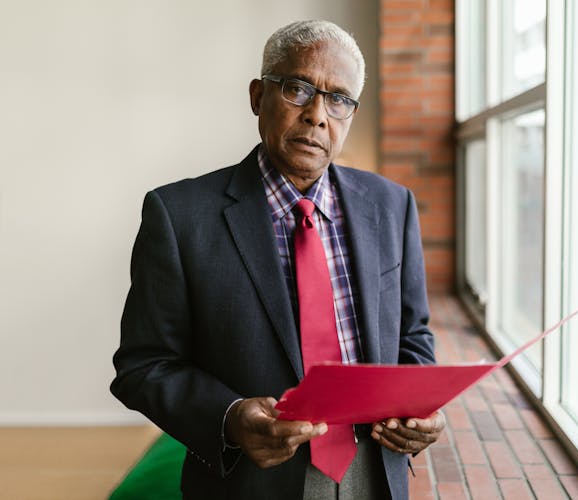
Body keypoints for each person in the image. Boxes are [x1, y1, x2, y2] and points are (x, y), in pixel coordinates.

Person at [110, 19, 445, 500]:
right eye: (297, 88)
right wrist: (229, 419)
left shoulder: (392, 206)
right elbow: (144, 364)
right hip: (251, 480)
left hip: (376, 472)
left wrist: (419, 407)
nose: (316, 114)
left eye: (338, 99)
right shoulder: (180, 216)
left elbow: (413, 336)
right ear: (257, 97)